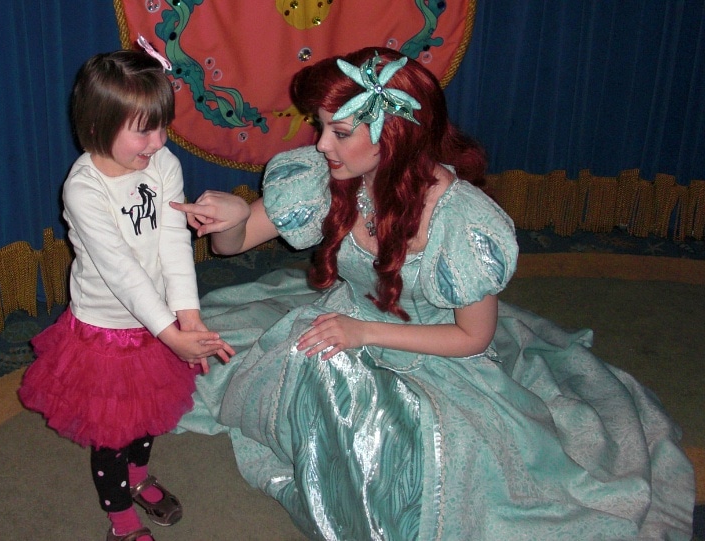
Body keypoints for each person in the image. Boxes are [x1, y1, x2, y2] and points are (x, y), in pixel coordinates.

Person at [172, 47, 695, 539]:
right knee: (299, 365)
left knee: (404, 464)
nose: (321, 144)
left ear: (392, 135)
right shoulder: (329, 177)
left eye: (339, 131)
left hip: (439, 355)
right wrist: (233, 218)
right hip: (349, 322)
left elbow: (472, 336)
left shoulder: (461, 221)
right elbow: (234, 244)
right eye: (321, 127)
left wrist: (361, 332)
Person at [18, 46, 234, 541]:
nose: (158, 141)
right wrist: (170, 332)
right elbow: (123, 273)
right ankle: (120, 520)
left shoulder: (163, 164)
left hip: (155, 322)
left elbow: (174, 243)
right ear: (97, 125)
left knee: (147, 416)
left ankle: (139, 477)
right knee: (112, 432)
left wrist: (189, 317)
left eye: (163, 125)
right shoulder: (84, 189)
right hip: (106, 331)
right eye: (144, 129)